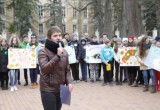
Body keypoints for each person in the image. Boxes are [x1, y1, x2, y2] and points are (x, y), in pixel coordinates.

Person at [38, 26, 73, 110]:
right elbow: (45, 69)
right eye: (55, 36)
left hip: (61, 88)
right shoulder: (43, 51)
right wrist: (57, 56)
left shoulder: (64, 52)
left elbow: (67, 69)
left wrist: (69, 82)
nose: (58, 38)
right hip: (48, 89)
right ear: (49, 38)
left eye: (60, 35)